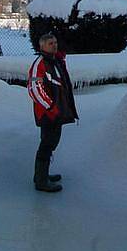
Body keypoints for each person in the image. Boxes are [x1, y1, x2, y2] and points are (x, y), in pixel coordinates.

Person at [27, 32, 78, 193]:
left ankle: (42, 174)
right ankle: (41, 181)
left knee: (52, 143)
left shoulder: (56, 62)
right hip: (48, 114)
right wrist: (51, 107)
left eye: (55, 42)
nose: (54, 45)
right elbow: (35, 88)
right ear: (42, 46)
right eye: (50, 43)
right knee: (47, 144)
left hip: (58, 113)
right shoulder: (40, 64)